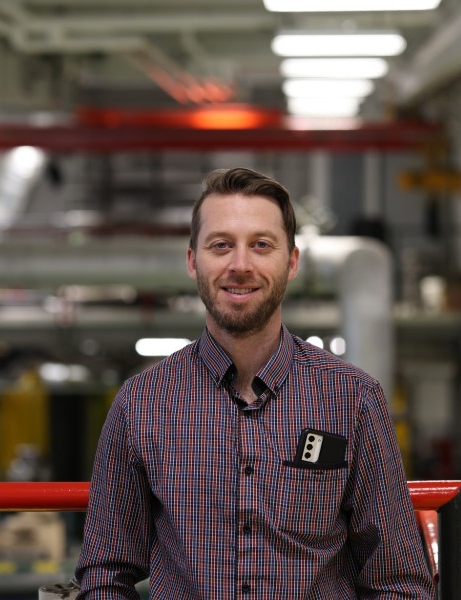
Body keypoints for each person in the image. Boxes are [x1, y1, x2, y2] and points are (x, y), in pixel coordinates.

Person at [75, 167, 431, 599]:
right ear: (193, 261)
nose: (240, 265)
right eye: (221, 245)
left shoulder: (352, 400)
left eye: (261, 245)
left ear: (292, 262)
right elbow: (105, 576)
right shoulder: (141, 404)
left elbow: (397, 581)